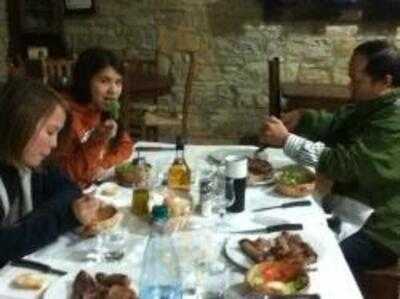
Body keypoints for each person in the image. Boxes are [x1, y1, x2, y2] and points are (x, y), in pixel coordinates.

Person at [262, 40, 400, 274]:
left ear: (386, 82)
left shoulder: (393, 120)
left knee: (310, 265)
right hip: (349, 208)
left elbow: (345, 165)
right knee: (282, 233)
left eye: (357, 81)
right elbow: (338, 122)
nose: (350, 86)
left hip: (381, 230)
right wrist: (303, 117)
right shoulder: (373, 104)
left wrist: (287, 141)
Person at [0, 78, 99, 266]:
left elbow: (69, 191)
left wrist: (35, 225)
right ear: (21, 123)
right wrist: (64, 217)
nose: (54, 144)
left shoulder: (33, 163)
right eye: (50, 132)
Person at [55, 47, 134, 188]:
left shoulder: (102, 110)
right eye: (104, 81)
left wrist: (104, 164)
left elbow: (125, 145)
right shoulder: (63, 116)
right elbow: (65, 175)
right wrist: (96, 141)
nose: (113, 90)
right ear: (85, 81)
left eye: (118, 82)